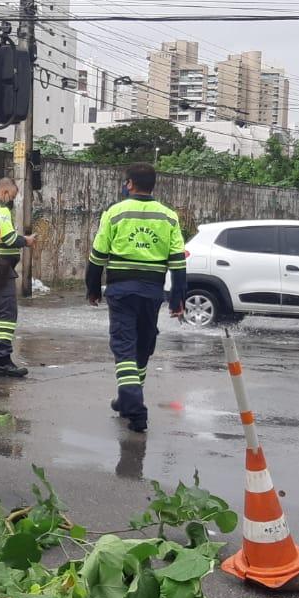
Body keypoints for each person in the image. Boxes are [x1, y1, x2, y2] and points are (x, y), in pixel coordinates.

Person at [85, 163, 187, 433]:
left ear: (129, 184)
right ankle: (128, 398)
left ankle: (134, 406)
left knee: (125, 347)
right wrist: (177, 300)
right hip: (152, 292)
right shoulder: (168, 217)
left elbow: (97, 257)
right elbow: (178, 263)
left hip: (121, 291)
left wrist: (93, 289)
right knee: (142, 345)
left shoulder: (115, 213)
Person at [0, 177, 35, 377]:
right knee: (7, 314)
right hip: (2, 268)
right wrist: (27, 241)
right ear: (5, 193)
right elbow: (9, 238)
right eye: (12, 195)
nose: (12, 199)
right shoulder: (2, 210)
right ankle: (2, 360)